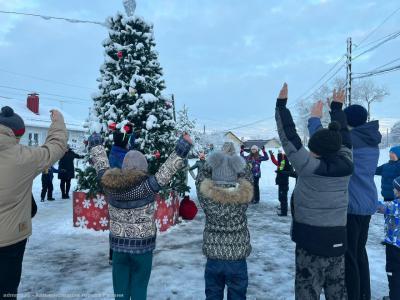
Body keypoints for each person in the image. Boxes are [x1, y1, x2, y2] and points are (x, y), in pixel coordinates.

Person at [88, 133, 192, 300]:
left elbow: (101, 166)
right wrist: (183, 147)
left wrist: (95, 143)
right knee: (139, 287)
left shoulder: (110, 184)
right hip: (143, 248)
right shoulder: (149, 186)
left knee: (120, 289)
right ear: (143, 168)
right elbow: (168, 168)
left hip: (118, 247)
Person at [275, 84, 353, 300]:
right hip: (337, 241)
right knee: (337, 291)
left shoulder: (307, 166)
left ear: (314, 150)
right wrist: (337, 109)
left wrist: (281, 107)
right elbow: (344, 139)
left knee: (307, 292)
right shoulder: (347, 165)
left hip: (309, 242)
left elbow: (288, 137)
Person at [0, 106, 67, 299]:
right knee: (7, 290)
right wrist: (58, 121)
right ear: (19, 134)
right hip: (11, 240)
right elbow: (56, 146)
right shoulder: (25, 157)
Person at [334, 103, 381, 300]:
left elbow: (326, 144)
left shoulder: (351, 140)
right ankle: (364, 294)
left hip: (352, 205)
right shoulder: (371, 139)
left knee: (349, 256)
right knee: (359, 252)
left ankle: (353, 295)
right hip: (367, 202)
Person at [196, 142, 253, 300]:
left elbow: (200, 179)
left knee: (213, 295)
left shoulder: (207, 196)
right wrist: (237, 161)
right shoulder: (243, 196)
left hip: (214, 258)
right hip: (237, 258)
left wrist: (212, 162)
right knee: (237, 296)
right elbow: (249, 179)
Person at [377, 176, 400, 300]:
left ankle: (394, 297)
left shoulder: (394, 205)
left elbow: (377, 206)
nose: (393, 191)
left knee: (393, 274)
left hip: (394, 247)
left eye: (395, 188)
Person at [269, 149, 293, 216]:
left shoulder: (285, 163)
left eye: (280, 157)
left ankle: (284, 212)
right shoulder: (281, 163)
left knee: (283, 198)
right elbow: (275, 162)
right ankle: (282, 208)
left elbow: (285, 170)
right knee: (281, 197)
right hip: (281, 182)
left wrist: (280, 171)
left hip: (284, 183)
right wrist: (272, 155)